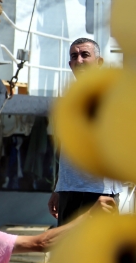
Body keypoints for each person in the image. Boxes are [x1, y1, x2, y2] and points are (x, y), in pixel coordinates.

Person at [48, 37, 122, 225]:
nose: (79, 60)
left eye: (85, 55)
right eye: (74, 56)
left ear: (99, 62)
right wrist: (59, 188)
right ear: (70, 64)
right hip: (69, 191)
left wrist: (107, 192)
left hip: (99, 193)